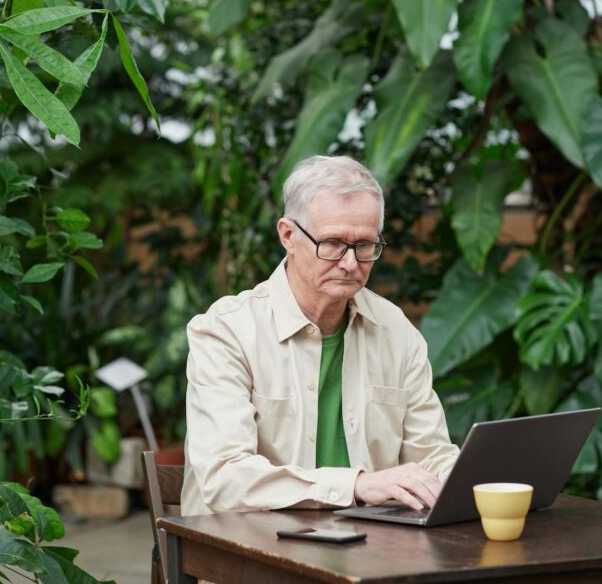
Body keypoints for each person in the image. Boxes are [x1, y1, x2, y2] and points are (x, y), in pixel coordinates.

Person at [181, 155, 459, 516]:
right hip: (246, 552)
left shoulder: (396, 331)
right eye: (331, 243)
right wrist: (356, 486)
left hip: (368, 552)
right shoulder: (226, 332)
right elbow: (225, 479)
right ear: (288, 236)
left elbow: (431, 457)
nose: (350, 263)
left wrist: (482, 482)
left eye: (364, 246)